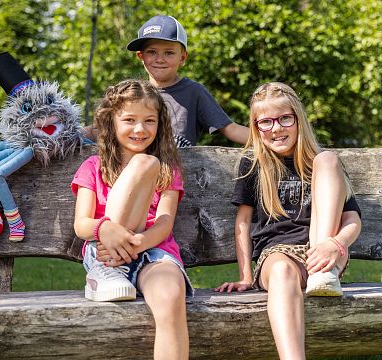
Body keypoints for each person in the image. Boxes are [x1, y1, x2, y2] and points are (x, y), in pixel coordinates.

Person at [215, 82, 362, 359]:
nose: (276, 128)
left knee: (328, 159)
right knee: (282, 271)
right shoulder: (254, 164)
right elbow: (243, 223)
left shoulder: (321, 163)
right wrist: (246, 275)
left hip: (326, 254)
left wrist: (335, 244)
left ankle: (321, 272)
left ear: (298, 119)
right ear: (256, 127)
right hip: (277, 255)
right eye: (266, 122)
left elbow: (352, 219)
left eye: (284, 118)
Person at [72, 79, 193, 360]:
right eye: (129, 120)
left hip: (153, 252)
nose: (140, 129)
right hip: (104, 253)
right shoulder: (93, 167)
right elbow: (82, 225)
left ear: (159, 125)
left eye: (149, 120)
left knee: (170, 296)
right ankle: (106, 271)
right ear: (110, 122)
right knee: (145, 162)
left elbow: (164, 223)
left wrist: (138, 243)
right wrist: (107, 229)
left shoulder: (167, 169)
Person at [85, 15, 249, 148]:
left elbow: (231, 129)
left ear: (182, 58)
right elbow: (97, 129)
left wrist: (269, 140)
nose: (160, 59)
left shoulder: (194, 92)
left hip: (176, 179)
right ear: (141, 57)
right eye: (152, 52)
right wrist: (64, 132)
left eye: (169, 53)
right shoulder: (131, 93)